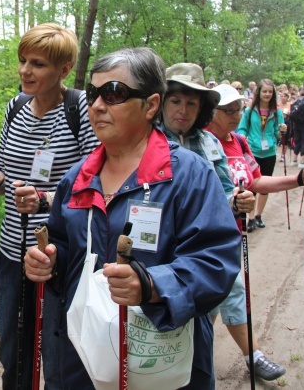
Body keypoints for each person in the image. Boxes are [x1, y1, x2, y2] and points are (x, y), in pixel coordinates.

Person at [24, 47, 241, 389]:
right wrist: (48, 262)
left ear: (151, 105)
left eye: (113, 94)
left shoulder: (189, 175)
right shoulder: (78, 178)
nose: (96, 105)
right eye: (94, 94)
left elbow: (216, 260)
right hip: (86, 361)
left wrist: (152, 286)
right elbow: (64, 248)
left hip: (163, 364)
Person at [0, 23, 99, 389]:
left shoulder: (81, 113)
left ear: (64, 69)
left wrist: (44, 199)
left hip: (58, 256)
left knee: (59, 357)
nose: (26, 70)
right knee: (14, 352)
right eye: (23, 61)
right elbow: (4, 173)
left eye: (38, 64)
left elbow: (96, 188)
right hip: (13, 252)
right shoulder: (15, 108)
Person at [207, 84, 304, 381]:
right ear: (210, 111)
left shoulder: (239, 142)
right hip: (205, 238)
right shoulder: (198, 143)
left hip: (232, 235)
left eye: (237, 109)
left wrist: (297, 179)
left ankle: (209, 356)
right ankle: (249, 356)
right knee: (224, 293)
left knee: (220, 297)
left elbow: (256, 182)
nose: (234, 115)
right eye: (226, 110)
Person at [157, 62, 238, 211]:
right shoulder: (145, 140)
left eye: (191, 104)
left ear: (201, 107)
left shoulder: (210, 142)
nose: (183, 110)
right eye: (175, 101)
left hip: (202, 229)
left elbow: (225, 191)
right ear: (161, 103)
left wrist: (237, 202)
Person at [237, 79, 287, 232]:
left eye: (270, 92)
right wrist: (243, 138)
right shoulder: (249, 111)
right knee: (251, 185)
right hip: (252, 152)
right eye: (264, 91)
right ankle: (251, 217)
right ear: (259, 92)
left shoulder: (277, 112)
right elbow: (242, 129)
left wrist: (282, 131)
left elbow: (279, 135)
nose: (267, 94)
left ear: (273, 94)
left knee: (265, 186)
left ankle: (258, 215)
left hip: (270, 152)